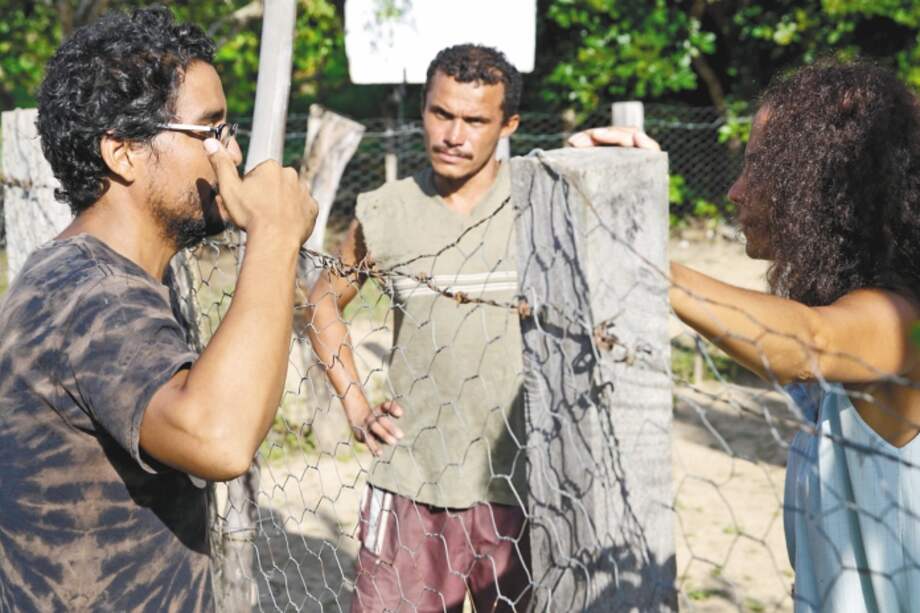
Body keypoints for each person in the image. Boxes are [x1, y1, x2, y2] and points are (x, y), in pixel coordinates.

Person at [0, 7, 317, 610]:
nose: (231, 153)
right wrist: (274, 235)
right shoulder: (88, 293)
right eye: (210, 132)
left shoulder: (107, 273)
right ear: (123, 155)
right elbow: (218, 438)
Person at [578, 61, 920, 612]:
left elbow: (808, 341)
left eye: (763, 167)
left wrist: (631, 247)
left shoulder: (902, 323)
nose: (736, 191)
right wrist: (622, 190)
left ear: (824, 182)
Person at [306, 44, 531, 612]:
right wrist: (357, 406)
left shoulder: (536, 201)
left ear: (508, 125)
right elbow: (322, 302)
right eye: (441, 113)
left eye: (476, 120)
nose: (454, 134)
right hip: (413, 479)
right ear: (423, 111)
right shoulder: (387, 211)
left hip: (523, 484)